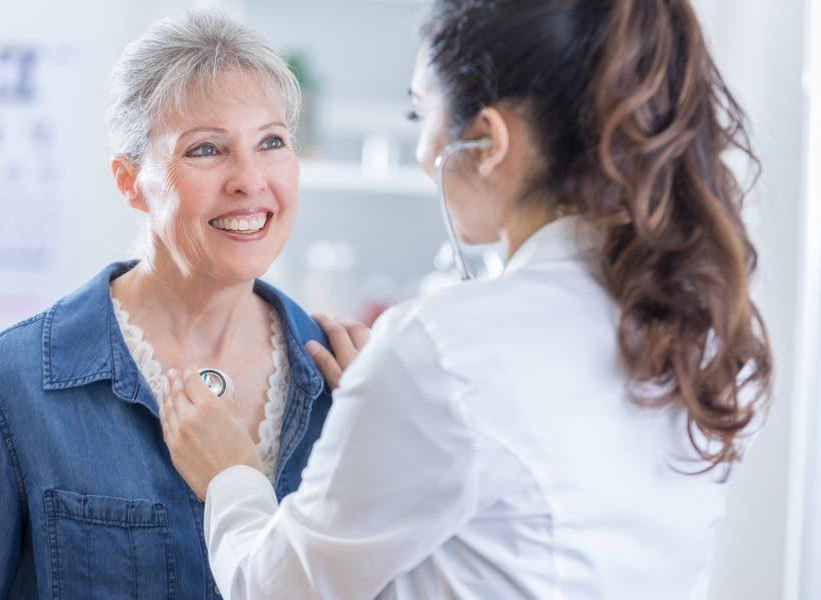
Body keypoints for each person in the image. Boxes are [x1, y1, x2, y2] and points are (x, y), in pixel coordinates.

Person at [159, 1, 773, 598]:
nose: (426, 154)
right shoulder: (700, 325)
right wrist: (388, 420)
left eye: (419, 117)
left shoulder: (444, 350)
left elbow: (275, 590)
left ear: (486, 140)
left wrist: (231, 476)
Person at [0, 11, 337, 598]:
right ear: (129, 181)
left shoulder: (345, 384)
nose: (250, 179)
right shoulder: (11, 385)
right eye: (207, 149)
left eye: (271, 142)